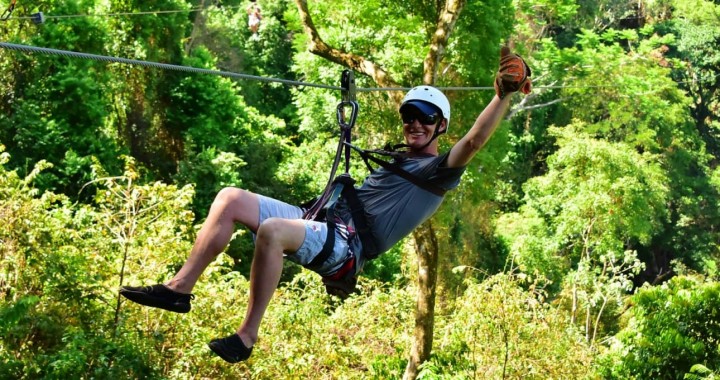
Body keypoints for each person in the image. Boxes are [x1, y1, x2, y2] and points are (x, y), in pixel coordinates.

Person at [120, 47, 532, 363]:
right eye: (409, 116)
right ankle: (179, 289)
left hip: (345, 248)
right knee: (229, 199)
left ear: (441, 125)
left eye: (425, 118)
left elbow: (475, 141)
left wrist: (502, 96)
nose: (415, 124)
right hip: (323, 221)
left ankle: (247, 336)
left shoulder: (439, 171)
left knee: (272, 231)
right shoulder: (397, 156)